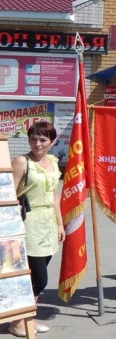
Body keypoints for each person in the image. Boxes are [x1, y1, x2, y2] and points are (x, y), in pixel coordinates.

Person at [9, 121, 65, 336]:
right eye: (33, 139)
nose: (37, 144)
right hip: (28, 223)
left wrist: (60, 224)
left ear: (52, 141)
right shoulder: (22, 162)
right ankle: (17, 321)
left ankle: (27, 319)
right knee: (38, 278)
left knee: (36, 277)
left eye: (43, 139)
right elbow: (9, 196)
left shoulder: (52, 161)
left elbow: (54, 196)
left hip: (48, 224)